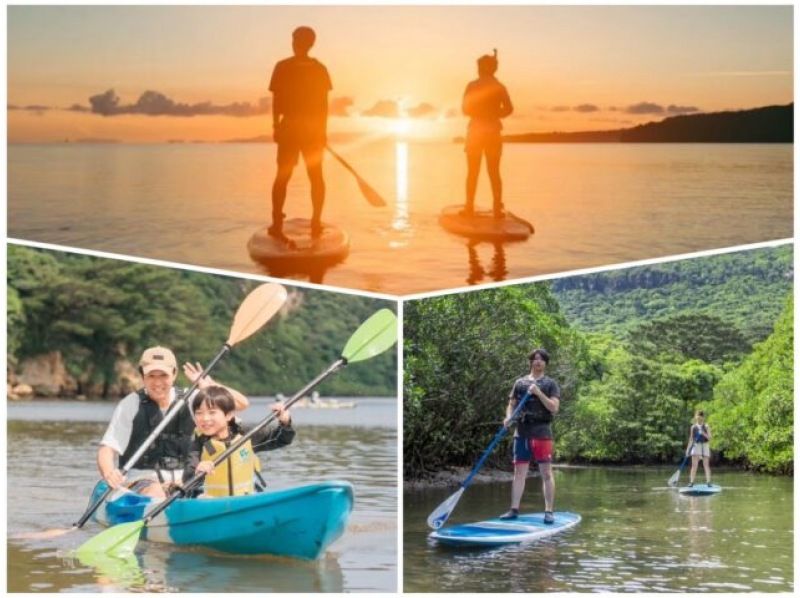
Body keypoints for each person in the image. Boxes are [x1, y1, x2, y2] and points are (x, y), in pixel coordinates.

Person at [97, 346, 249, 498]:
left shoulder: (191, 399)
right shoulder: (130, 404)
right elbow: (107, 449)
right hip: (142, 480)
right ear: (143, 376)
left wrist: (209, 385)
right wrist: (109, 473)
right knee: (156, 492)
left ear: (174, 374)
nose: (158, 382)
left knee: (210, 493)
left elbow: (241, 404)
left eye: (163, 375)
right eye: (151, 376)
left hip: (187, 478)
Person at [268, 26, 332, 242]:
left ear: (307, 43)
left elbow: (322, 105)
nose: (294, 43)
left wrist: (277, 126)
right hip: (306, 130)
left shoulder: (286, 67)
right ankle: (287, 223)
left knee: (302, 177)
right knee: (294, 177)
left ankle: (309, 222)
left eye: (296, 39)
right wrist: (322, 133)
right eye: (294, 39)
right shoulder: (316, 69)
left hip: (296, 129)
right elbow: (323, 106)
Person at [184, 385, 295, 497]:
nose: (205, 418)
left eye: (212, 412)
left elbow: (282, 439)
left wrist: (285, 422)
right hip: (212, 505)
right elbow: (187, 479)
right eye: (199, 413)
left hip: (246, 501)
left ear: (228, 415)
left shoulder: (246, 435)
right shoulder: (198, 444)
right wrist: (198, 471)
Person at [501, 348, 561, 524]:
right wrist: (508, 417)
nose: (538, 362)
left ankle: (549, 511)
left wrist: (538, 393)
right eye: (535, 359)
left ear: (545, 364)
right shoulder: (519, 383)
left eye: (542, 359)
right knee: (519, 472)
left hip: (542, 432)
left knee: (546, 473)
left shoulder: (550, 384)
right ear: (531, 362)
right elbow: (511, 404)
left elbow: (554, 408)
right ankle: (514, 509)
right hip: (522, 432)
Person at [462, 49, 513, 219]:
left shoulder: (472, 86)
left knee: (473, 172)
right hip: (493, 132)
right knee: (494, 172)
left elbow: (465, 109)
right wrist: (494, 114)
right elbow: (509, 109)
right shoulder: (499, 87)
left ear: (481, 68)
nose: (477, 69)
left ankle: (469, 208)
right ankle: (497, 210)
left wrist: (480, 112)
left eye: (478, 66)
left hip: (476, 132)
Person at [686, 410, 712, 486]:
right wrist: (688, 450)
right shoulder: (693, 427)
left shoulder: (706, 426)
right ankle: (691, 482)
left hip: (705, 445)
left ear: (703, 418)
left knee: (706, 465)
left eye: (700, 417)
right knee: (694, 466)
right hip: (696, 445)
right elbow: (691, 439)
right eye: (697, 417)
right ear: (695, 417)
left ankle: (708, 482)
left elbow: (710, 438)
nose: (699, 418)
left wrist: (703, 433)